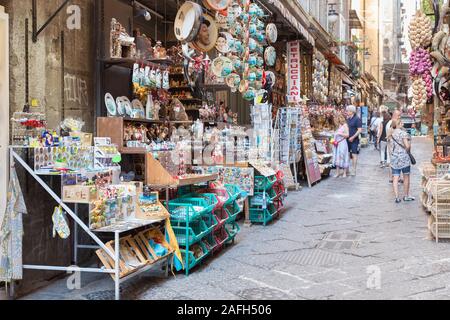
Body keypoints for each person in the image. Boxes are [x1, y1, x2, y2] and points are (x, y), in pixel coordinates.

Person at [390, 119, 415, 203]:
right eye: (402, 123)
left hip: (394, 158)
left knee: (395, 177)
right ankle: (406, 196)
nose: (403, 124)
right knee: (406, 176)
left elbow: (390, 147)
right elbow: (407, 146)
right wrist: (408, 146)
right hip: (403, 157)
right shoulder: (403, 133)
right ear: (399, 124)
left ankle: (397, 197)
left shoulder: (391, 133)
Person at [346, 105, 362, 176]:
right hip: (347, 139)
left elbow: (359, 130)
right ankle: (347, 169)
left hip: (354, 140)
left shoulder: (357, 119)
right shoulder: (348, 119)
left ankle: (354, 170)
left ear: (352, 111)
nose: (347, 112)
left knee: (354, 154)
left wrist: (353, 137)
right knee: (347, 154)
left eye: (348, 111)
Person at [386, 109, 402, 183]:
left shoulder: (395, 123)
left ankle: (395, 177)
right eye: (399, 115)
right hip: (392, 147)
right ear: (395, 115)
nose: (400, 117)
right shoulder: (391, 124)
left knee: (395, 161)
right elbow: (389, 137)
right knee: (391, 162)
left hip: (395, 147)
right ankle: (392, 177)